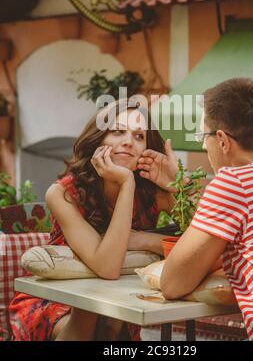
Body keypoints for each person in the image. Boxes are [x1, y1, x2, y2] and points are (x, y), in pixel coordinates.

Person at [137, 78, 253, 341]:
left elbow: (172, 284)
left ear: (222, 140)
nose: (203, 145)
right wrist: (183, 186)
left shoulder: (233, 182)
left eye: (203, 136)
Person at [9, 99, 174, 341]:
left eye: (139, 136)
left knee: (113, 326)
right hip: (58, 300)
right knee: (93, 321)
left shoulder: (153, 192)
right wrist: (126, 183)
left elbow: (204, 241)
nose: (128, 141)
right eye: (117, 131)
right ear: (98, 139)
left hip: (122, 302)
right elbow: (107, 268)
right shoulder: (63, 193)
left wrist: (176, 186)